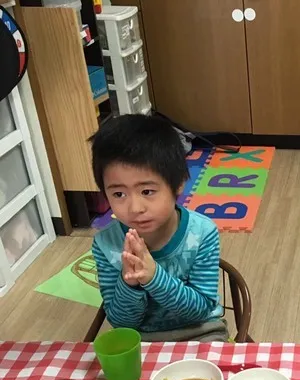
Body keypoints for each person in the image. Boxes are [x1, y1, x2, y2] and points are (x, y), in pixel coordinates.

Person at [91, 114, 228, 342]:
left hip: (200, 333)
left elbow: (200, 311)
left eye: (147, 191)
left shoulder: (202, 234)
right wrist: (129, 283)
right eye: (118, 194)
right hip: (141, 340)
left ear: (179, 183)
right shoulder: (106, 244)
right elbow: (120, 322)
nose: (135, 208)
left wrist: (153, 277)